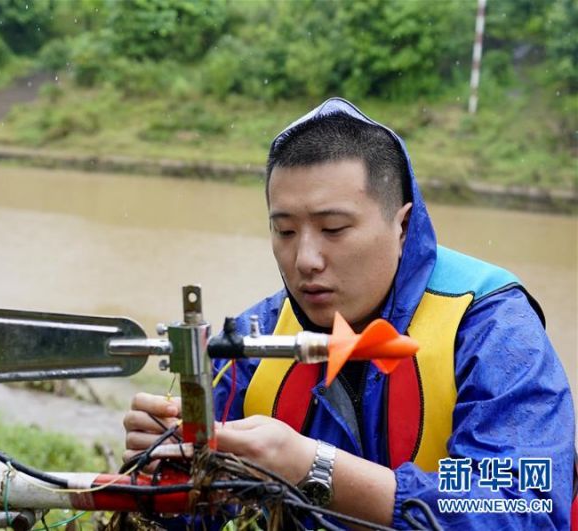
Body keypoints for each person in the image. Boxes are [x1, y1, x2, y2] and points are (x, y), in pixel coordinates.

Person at [123, 97, 575, 529]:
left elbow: (523, 505)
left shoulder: (491, 327)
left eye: (333, 228)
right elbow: (200, 514)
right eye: (284, 231)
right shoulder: (250, 341)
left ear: (402, 226)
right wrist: (166, 469)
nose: (305, 260)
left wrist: (316, 469)